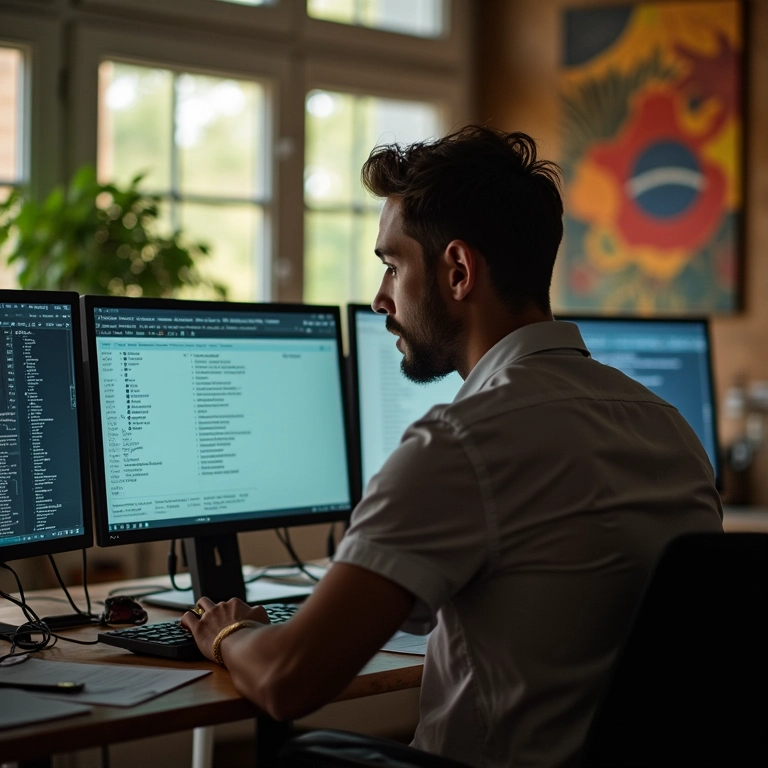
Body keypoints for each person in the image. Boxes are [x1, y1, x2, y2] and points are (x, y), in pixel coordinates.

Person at [181, 126, 722, 768]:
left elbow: (287, 681)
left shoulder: (462, 442)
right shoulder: (669, 427)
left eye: (391, 265)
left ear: (458, 271)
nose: (381, 298)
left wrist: (232, 633)